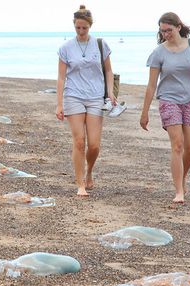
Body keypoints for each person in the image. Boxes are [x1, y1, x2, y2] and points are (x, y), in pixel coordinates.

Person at [139, 12, 190, 204]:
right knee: (177, 145)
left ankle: (182, 177)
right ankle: (179, 191)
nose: (166, 34)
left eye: (169, 30)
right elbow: (151, 85)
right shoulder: (158, 52)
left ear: (178, 27)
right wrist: (144, 113)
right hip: (169, 100)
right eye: (162, 31)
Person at [56, 4, 117, 197]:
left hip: (95, 97)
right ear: (74, 26)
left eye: (84, 28)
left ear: (90, 26)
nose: (81, 31)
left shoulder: (100, 44)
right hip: (73, 96)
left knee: (94, 145)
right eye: (78, 28)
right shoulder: (66, 48)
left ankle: (89, 170)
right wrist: (59, 104)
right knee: (79, 142)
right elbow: (61, 77)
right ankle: (80, 183)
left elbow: (108, 70)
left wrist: (110, 93)